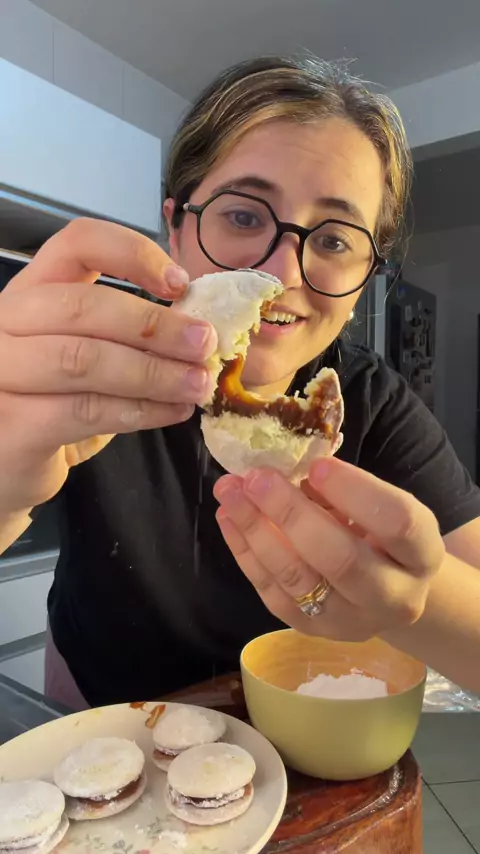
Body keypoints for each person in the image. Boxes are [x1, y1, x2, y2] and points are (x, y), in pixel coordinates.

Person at [0, 55, 479, 711]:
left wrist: (415, 602)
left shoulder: (374, 404)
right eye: (245, 217)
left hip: (284, 732)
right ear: (175, 228)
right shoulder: (88, 355)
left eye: (335, 241)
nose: (282, 274)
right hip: (95, 716)